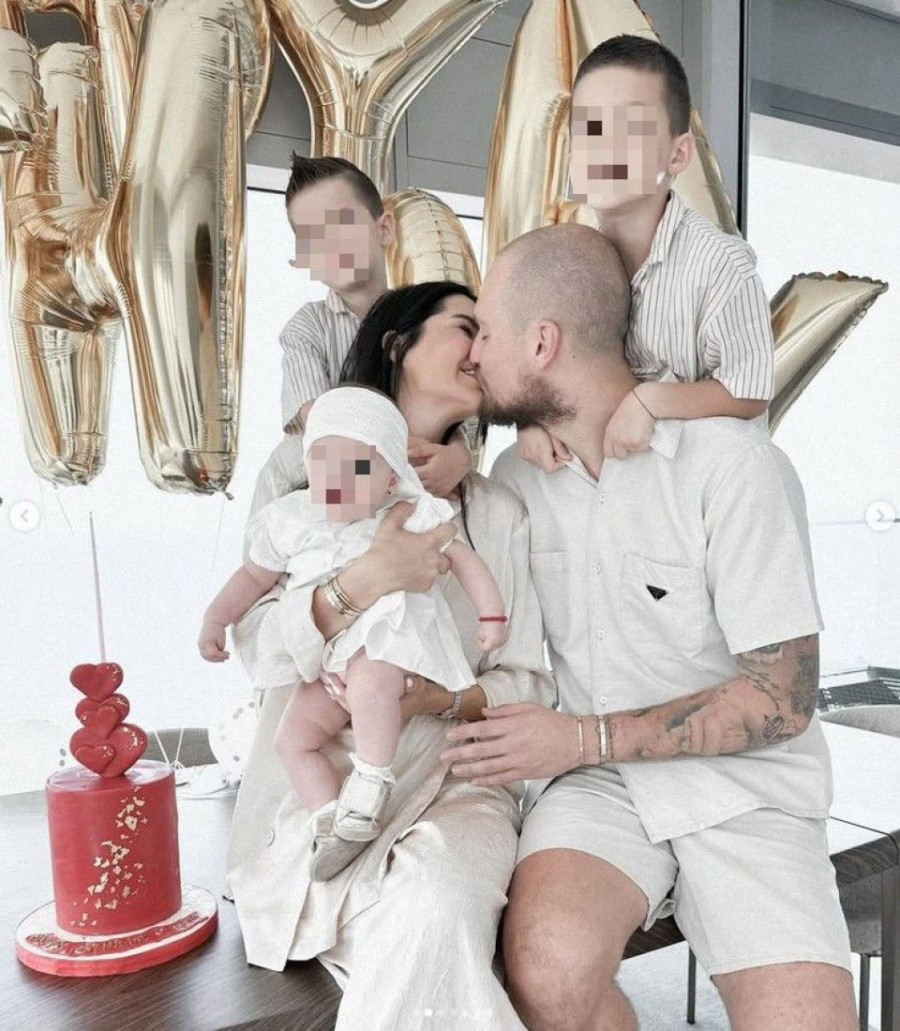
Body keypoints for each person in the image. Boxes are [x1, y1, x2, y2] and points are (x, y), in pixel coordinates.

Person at [443, 223, 857, 1030]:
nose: (473, 353)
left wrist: (581, 737)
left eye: (485, 331)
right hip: (598, 785)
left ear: (542, 342)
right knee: (548, 975)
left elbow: (782, 700)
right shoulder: (515, 475)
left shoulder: (734, 465)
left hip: (749, 786)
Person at [226, 282, 554, 1030]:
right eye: (466, 327)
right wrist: (363, 581)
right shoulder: (298, 469)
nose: (482, 347)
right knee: (411, 930)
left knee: (438, 903)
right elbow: (256, 648)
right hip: (318, 792)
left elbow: (527, 680)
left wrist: (432, 699)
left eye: (490, 334)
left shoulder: (493, 509)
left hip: (455, 784)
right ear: (398, 343)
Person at [203, 386, 508, 881]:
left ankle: (370, 784)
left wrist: (492, 615)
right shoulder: (291, 518)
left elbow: (463, 558)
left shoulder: (407, 514)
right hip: (326, 660)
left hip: (384, 642)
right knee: (292, 739)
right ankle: (331, 822)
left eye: (358, 468)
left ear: (391, 478)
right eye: (323, 464)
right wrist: (216, 619)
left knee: (369, 689)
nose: (337, 480)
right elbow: (253, 578)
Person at [518, 34, 774, 473]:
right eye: (589, 128)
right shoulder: (564, 260)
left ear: (678, 154)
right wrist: (533, 419)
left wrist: (651, 399)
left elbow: (748, 390)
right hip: (606, 491)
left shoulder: (720, 263)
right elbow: (541, 364)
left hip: (699, 492)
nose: (603, 147)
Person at [254, 154, 469, 514]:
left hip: (406, 479)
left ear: (384, 229)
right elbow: (320, 421)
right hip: (323, 485)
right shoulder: (307, 328)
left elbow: (453, 403)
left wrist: (459, 454)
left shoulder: (424, 320)